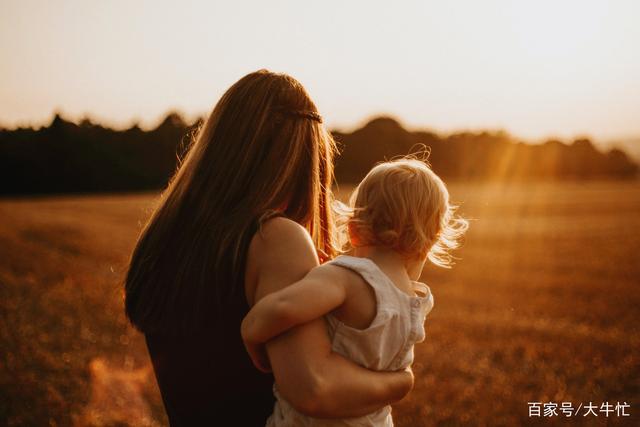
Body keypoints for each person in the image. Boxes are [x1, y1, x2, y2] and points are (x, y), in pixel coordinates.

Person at [123, 70, 414, 426]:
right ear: (308, 159)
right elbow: (314, 389)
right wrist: (399, 381)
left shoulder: (164, 240)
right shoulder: (275, 239)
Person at [241, 158, 469, 426]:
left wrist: (251, 332)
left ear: (353, 228)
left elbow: (283, 308)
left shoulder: (348, 277)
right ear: (430, 242)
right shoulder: (415, 303)